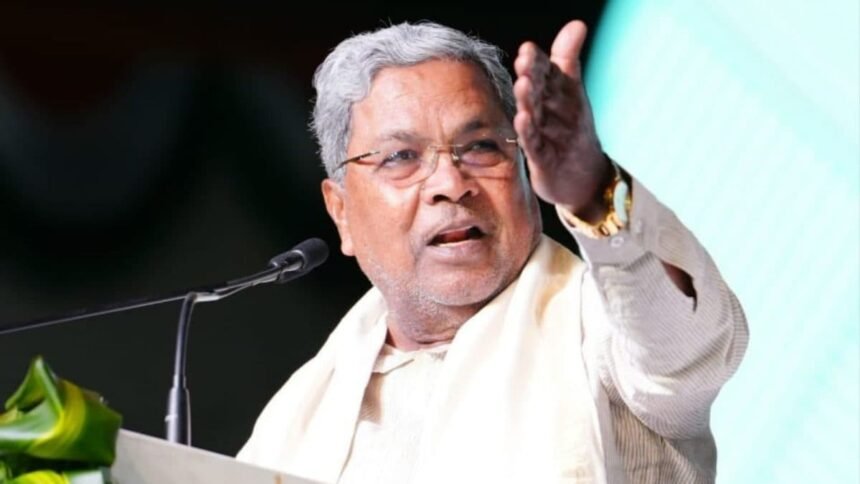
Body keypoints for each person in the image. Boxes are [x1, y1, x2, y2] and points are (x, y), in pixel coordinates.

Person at [237, 19, 748, 484]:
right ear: (341, 212)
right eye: (401, 157)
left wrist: (593, 189)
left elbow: (686, 348)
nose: (450, 183)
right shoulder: (298, 415)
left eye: (480, 146)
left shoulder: (597, 324)